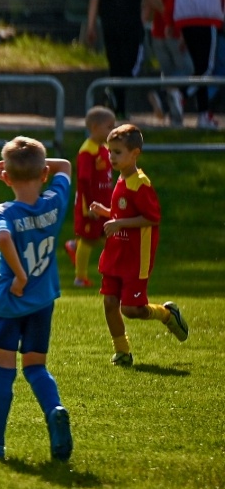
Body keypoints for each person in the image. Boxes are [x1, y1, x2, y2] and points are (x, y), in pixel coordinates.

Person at [0, 137, 74, 463]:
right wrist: (38, 165)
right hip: (42, 302)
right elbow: (65, 166)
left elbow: (3, 237)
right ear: (44, 174)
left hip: (10, 302)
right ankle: (54, 409)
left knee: (4, 372)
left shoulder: (5, 210)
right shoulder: (53, 203)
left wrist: (19, 276)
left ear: (6, 177)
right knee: (36, 367)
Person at [90, 123, 189, 365]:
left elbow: (151, 218)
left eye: (117, 152)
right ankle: (122, 351)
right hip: (116, 253)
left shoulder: (141, 183)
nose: (112, 157)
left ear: (135, 153)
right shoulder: (121, 179)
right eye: (110, 151)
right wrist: (106, 212)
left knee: (132, 309)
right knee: (110, 302)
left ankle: (166, 314)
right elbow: (123, 212)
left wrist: (119, 223)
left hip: (136, 257)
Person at [85, 0, 150, 117]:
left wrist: (91, 26)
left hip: (110, 26)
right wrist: (164, 10)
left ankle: (118, 106)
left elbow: (94, 0)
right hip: (131, 27)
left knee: (116, 66)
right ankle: (116, 98)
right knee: (132, 66)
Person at [171, 0, 225, 128]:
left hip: (186, 20)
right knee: (207, 69)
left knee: (199, 66)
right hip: (206, 18)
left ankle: (203, 115)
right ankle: (181, 94)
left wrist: (174, 25)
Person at [64, 105, 116, 288]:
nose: (112, 131)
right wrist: (90, 206)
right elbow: (84, 180)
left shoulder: (105, 148)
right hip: (90, 204)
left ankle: (74, 246)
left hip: (105, 203)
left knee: (106, 236)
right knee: (88, 239)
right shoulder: (87, 151)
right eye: (109, 127)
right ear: (94, 127)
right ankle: (80, 278)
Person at [145, 0, 192, 127]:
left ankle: (175, 117)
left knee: (168, 72)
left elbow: (148, 4)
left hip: (157, 31)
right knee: (187, 70)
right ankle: (162, 95)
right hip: (175, 30)